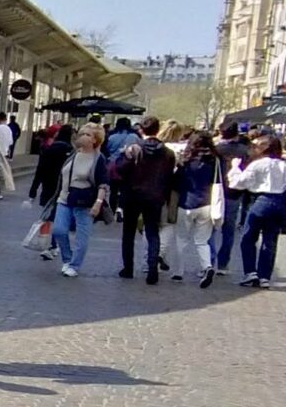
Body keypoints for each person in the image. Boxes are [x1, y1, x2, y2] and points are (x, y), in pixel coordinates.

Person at [109, 119, 173, 284]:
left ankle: (128, 269)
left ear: (142, 131)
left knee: (128, 233)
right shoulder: (167, 153)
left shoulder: (136, 150)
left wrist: (126, 156)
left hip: (133, 195)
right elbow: (169, 177)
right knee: (152, 233)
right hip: (155, 196)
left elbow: (120, 169)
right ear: (158, 130)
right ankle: (152, 269)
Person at [230, 134, 286, 288]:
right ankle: (264, 275)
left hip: (260, 200)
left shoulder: (258, 165)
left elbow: (238, 183)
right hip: (280, 201)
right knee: (270, 240)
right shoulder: (285, 165)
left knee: (248, 237)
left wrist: (234, 168)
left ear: (264, 148)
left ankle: (250, 272)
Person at [46, 123, 108, 277]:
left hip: (84, 202)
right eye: (81, 133)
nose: (83, 137)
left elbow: (103, 183)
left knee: (82, 236)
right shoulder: (73, 154)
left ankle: (74, 265)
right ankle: (67, 259)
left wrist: (98, 203)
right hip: (64, 199)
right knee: (59, 230)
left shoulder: (98, 159)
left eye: (87, 135)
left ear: (95, 140)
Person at [171, 130, 222, 288]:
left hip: (186, 203)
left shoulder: (186, 160)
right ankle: (207, 266)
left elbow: (176, 182)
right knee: (202, 241)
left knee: (181, 239)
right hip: (207, 204)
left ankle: (178, 272)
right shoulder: (215, 160)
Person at [213, 123, 250, 274]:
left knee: (210, 228)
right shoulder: (244, 151)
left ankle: (208, 262)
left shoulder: (215, 150)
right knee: (229, 230)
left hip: (215, 190)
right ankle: (223, 264)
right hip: (235, 192)